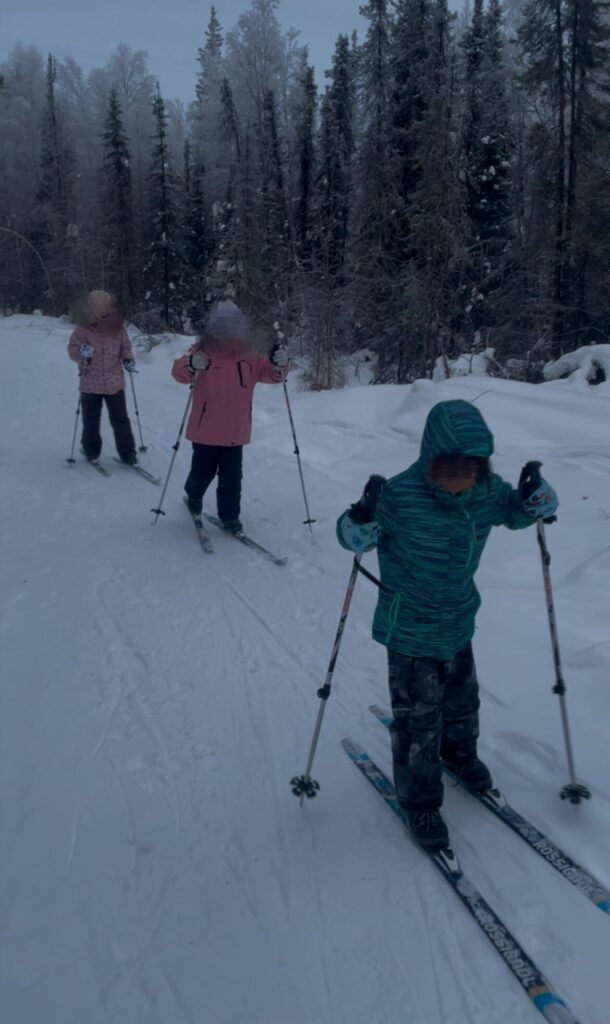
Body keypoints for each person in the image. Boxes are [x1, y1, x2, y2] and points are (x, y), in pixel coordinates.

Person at [336, 399, 558, 851]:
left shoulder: (486, 491)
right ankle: (419, 799)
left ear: (481, 464)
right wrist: (359, 516)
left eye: (470, 468)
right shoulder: (400, 495)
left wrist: (537, 499)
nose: (459, 480)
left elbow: (516, 513)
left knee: (461, 703)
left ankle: (459, 754)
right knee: (419, 720)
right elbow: (352, 539)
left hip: (458, 620)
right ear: (430, 457)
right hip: (410, 629)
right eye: (449, 468)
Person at [171, 300, 288, 532]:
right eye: (224, 328)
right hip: (205, 431)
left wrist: (280, 364)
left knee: (232, 480)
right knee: (202, 472)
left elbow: (274, 375)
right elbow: (179, 372)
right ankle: (193, 495)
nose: (230, 333)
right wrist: (191, 365)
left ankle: (230, 516)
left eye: (234, 328)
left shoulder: (250, 357)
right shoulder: (202, 352)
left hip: (236, 432)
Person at [67, 290, 138, 464]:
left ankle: (128, 454)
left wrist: (128, 359)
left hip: (114, 383)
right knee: (91, 420)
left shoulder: (117, 327)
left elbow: (125, 347)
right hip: (90, 382)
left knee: (120, 419)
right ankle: (91, 450)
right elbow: (72, 349)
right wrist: (84, 352)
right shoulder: (83, 328)